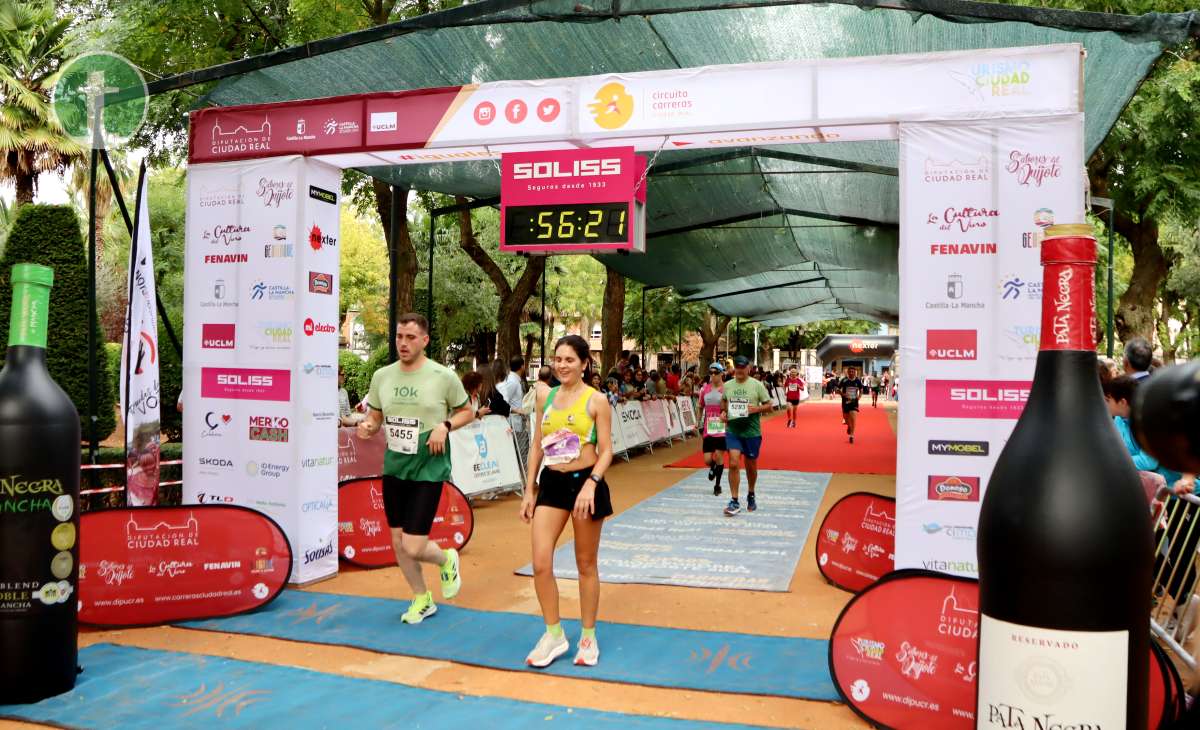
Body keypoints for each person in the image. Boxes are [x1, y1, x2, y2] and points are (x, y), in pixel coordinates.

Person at [357, 314, 473, 624]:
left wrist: (445, 426)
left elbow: (467, 411)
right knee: (398, 541)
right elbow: (375, 416)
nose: (403, 343)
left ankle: (447, 557)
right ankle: (421, 597)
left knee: (414, 543)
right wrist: (368, 426)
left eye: (410, 337)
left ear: (424, 340)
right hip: (395, 465)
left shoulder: (442, 376)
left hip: (428, 465)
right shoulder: (382, 376)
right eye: (399, 337)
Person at [521, 334, 614, 668]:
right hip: (552, 484)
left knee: (585, 564)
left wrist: (592, 483)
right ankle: (554, 634)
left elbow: (607, 451)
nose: (562, 365)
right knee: (541, 562)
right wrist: (529, 489)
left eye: (569, 360)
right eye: (558, 359)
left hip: (585, 484)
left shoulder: (596, 400)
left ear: (584, 363)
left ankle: (588, 635)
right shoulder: (545, 397)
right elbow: (537, 445)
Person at [1103, 375, 1182, 487]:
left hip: (1176, 491)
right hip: (1148, 488)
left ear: (1122, 402)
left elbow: (1148, 462)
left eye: (1107, 400)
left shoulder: (1151, 421)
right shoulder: (1119, 419)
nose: (1104, 404)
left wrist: (1113, 463)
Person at [721, 355, 773, 515]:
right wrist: (723, 412)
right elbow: (723, 402)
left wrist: (755, 409)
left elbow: (769, 405)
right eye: (737, 367)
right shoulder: (728, 385)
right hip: (733, 431)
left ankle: (751, 493)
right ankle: (734, 500)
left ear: (748, 369)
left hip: (751, 432)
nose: (740, 370)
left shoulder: (757, 385)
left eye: (743, 367)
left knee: (751, 466)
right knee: (734, 462)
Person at [698, 363, 728, 496]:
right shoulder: (705, 389)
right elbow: (700, 406)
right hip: (708, 428)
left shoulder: (727, 389)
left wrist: (726, 415)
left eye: (716, 373)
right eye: (711, 373)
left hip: (722, 428)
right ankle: (713, 466)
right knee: (707, 459)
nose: (713, 376)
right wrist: (697, 421)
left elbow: (731, 406)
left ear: (722, 373)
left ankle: (717, 485)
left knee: (720, 456)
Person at [838, 366, 866, 444]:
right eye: (850, 371)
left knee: (853, 418)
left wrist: (859, 396)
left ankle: (852, 436)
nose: (851, 373)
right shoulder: (844, 380)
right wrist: (843, 394)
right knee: (846, 419)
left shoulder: (858, 381)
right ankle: (849, 426)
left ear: (855, 372)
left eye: (853, 371)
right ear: (848, 372)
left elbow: (861, 390)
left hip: (854, 402)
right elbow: (837, 389)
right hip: (845, 402)